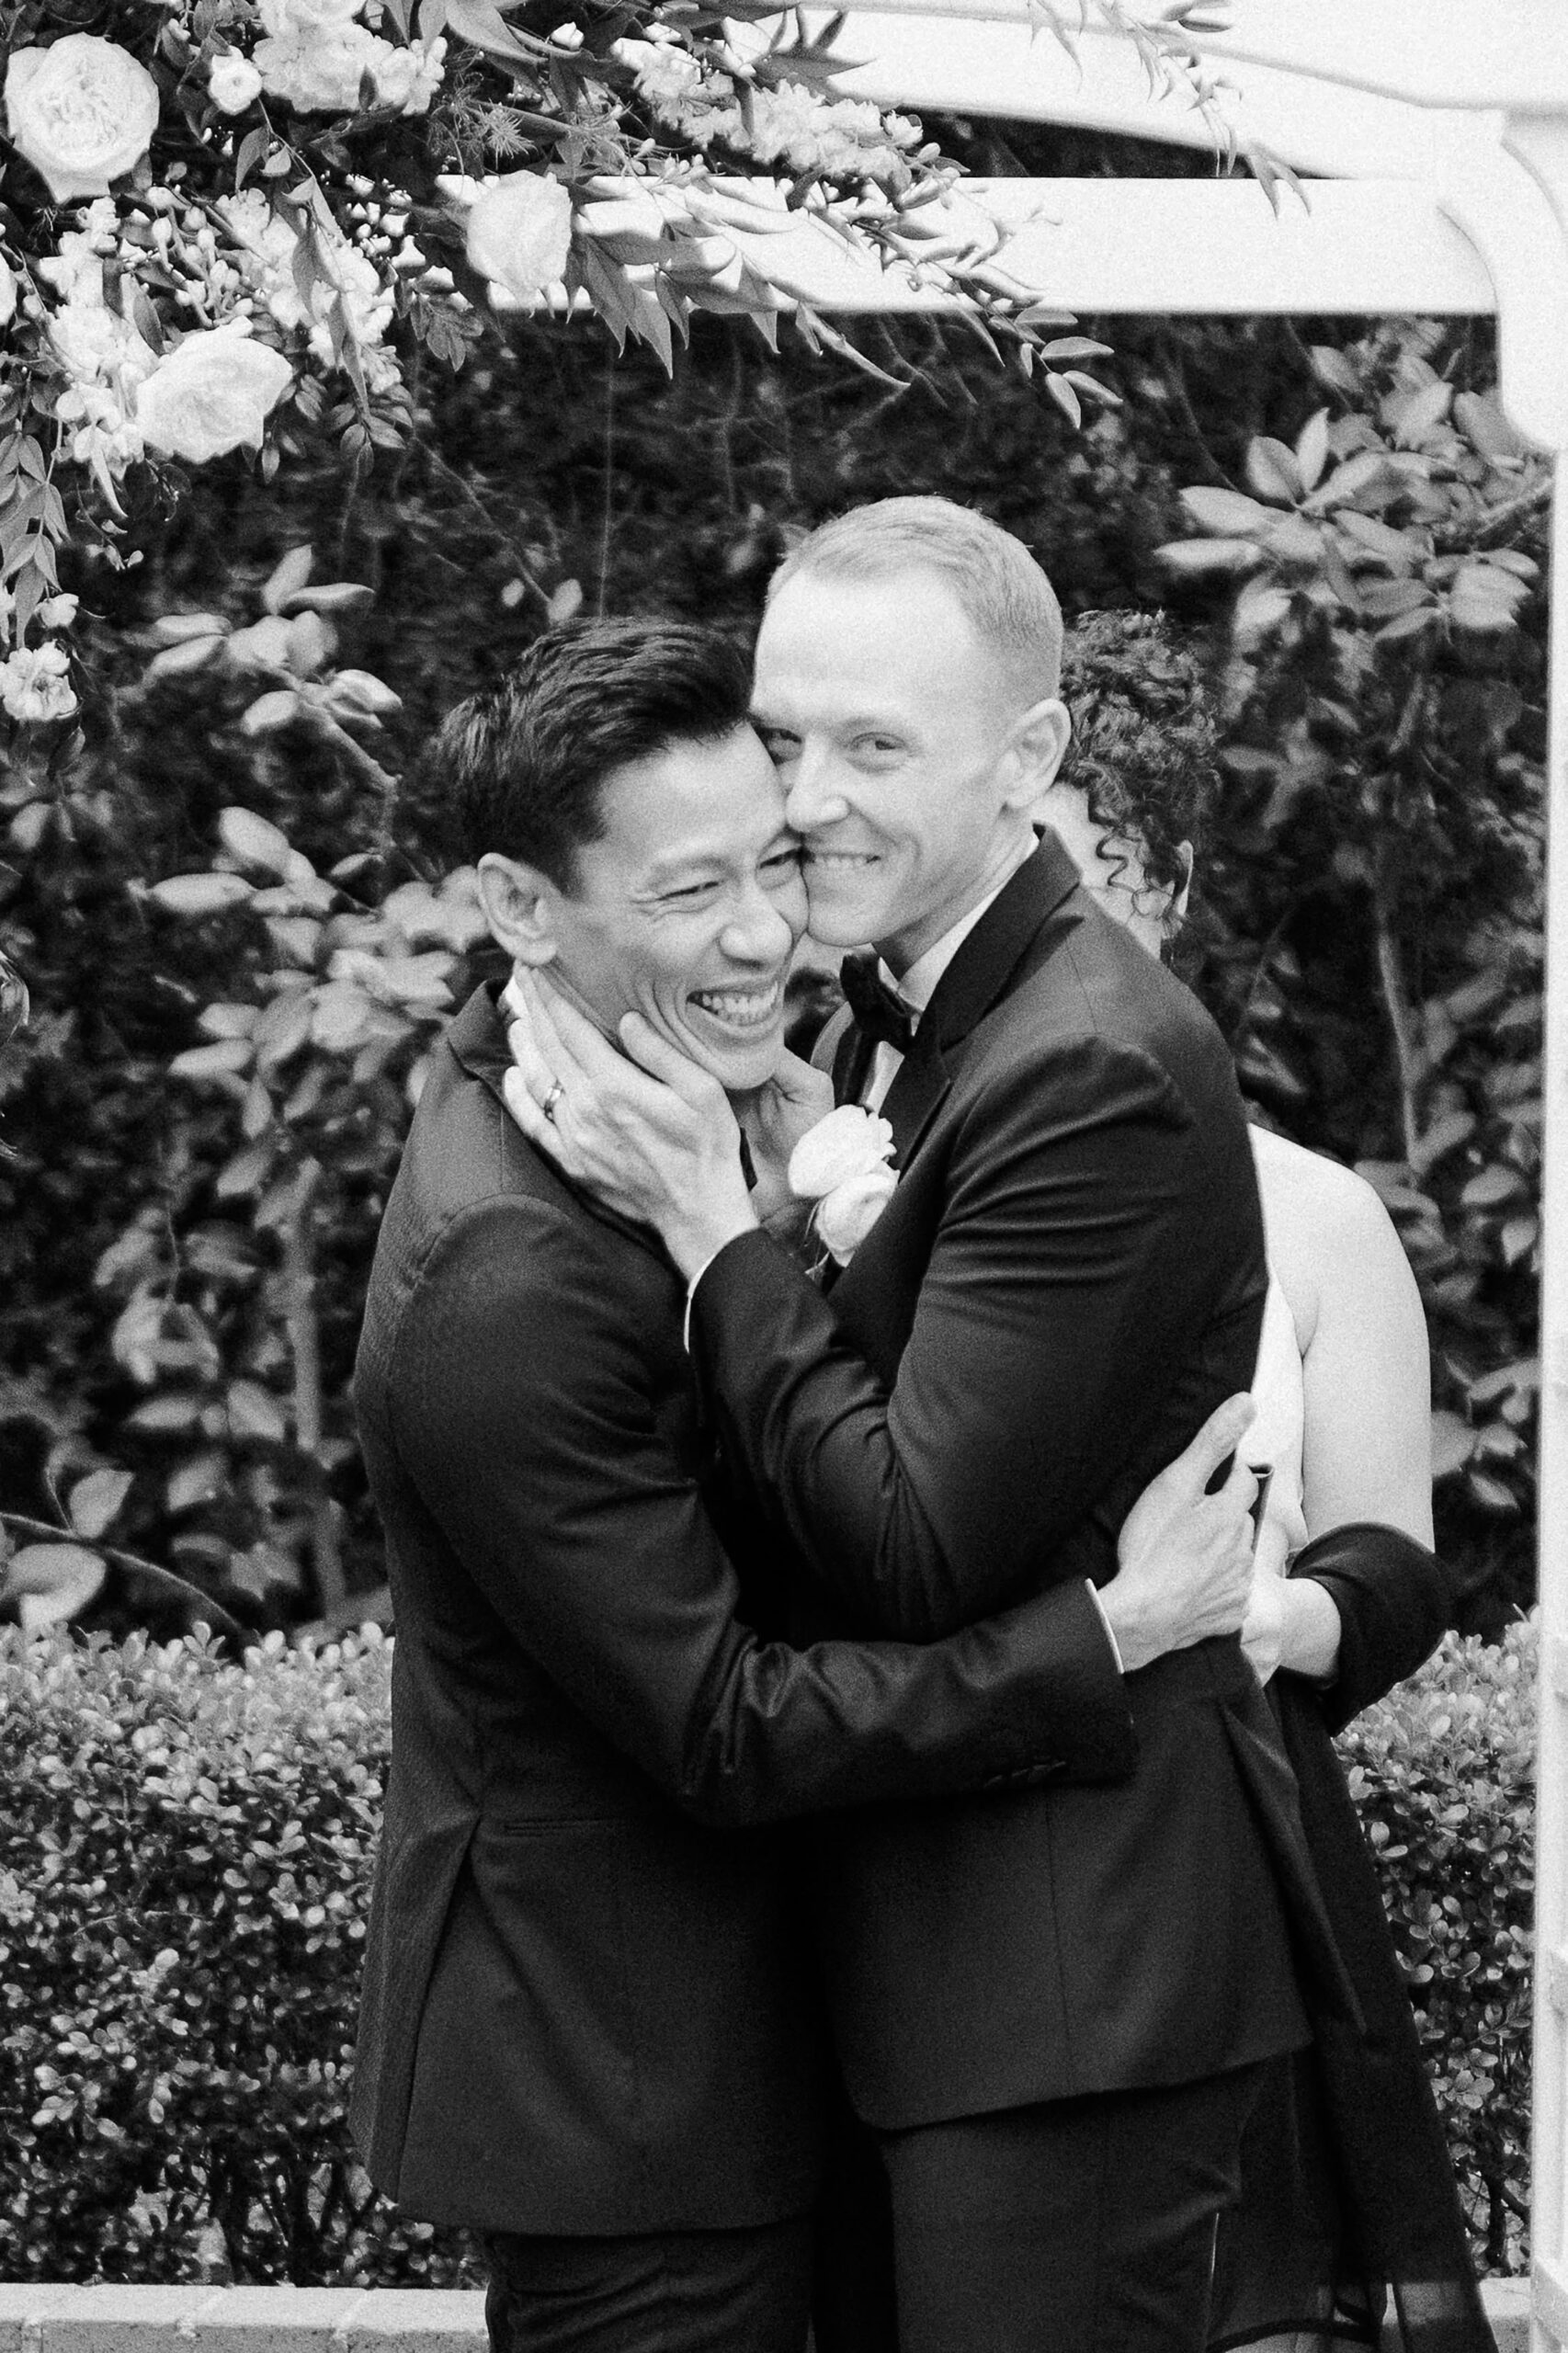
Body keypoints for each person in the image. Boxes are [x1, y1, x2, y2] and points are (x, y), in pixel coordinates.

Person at [347, 617, 1264, 2353]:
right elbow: (725, 1726)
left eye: (772, 862)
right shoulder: (510, 1270)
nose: (767, 932)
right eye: (692, 894)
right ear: (521, 909)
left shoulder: (679, 1116)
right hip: (631, 2108)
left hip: (751, 2068)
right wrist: (1111, 1633)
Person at [1035, 606, 1497, 2353]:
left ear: (1149, 887)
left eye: (1056, 867)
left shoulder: (1306, 1209)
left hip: (1216, 1847)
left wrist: (1260, 1614)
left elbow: (1397, 1572)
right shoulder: (843, 1158)